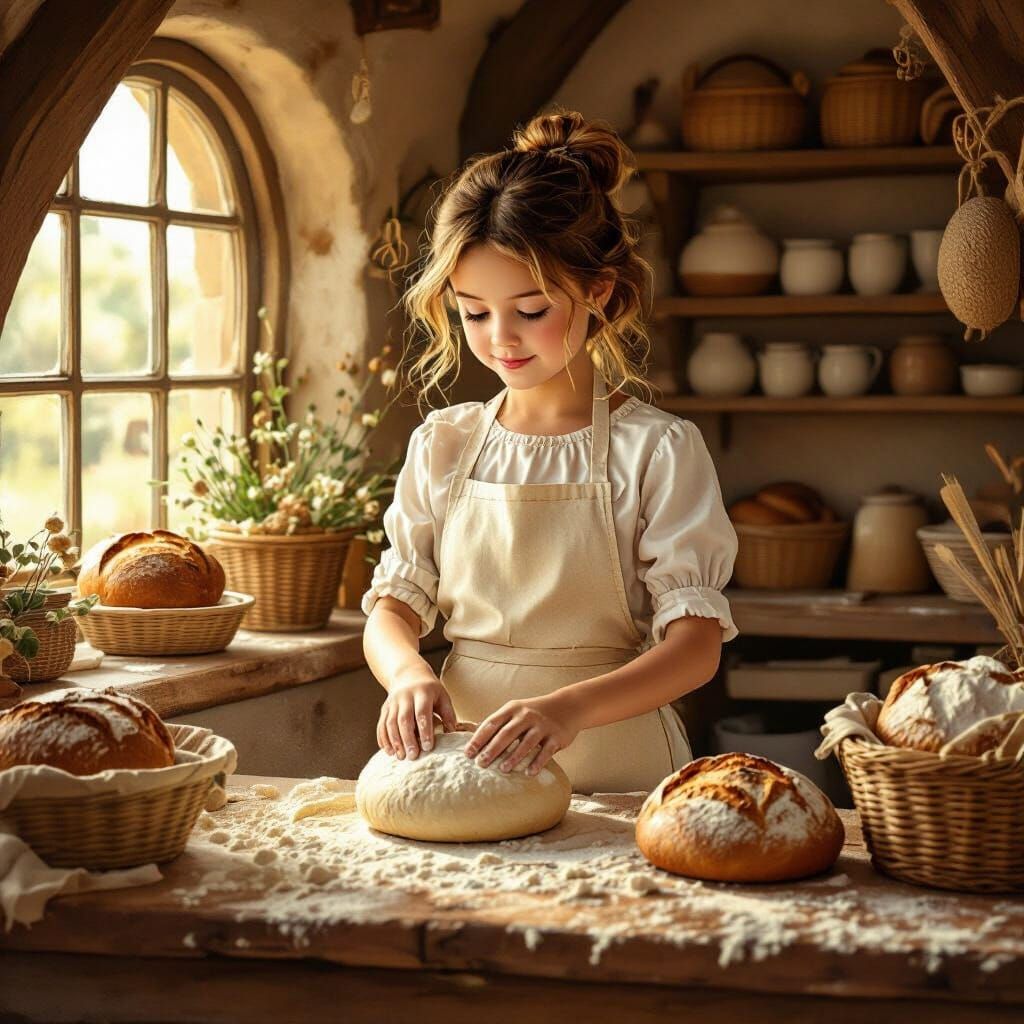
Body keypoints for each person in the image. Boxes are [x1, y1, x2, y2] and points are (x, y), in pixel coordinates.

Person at [361, 110, 738, 794]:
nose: (500, 336)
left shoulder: (656, 450)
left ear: (598, 291)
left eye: (530, 310)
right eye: (474, 311)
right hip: (467, 766)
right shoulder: (444, 446)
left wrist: (571, 708)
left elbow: (695, 649)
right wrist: (408, 673)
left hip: (618, 766)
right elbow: (394, 607)